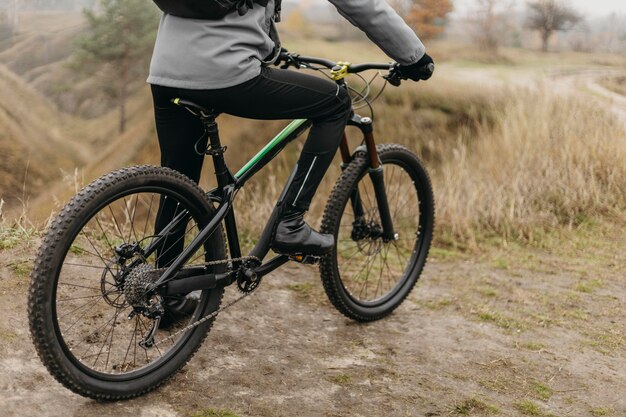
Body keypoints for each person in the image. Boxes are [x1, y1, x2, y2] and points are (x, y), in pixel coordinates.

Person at [148, 0, 434, 258]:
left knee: (178, 183)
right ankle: (290, 222)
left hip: (166, 73)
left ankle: (164, 290)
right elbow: (361, 4)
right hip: (226, 72)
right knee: (335, 103)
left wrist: (272, 51)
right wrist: (414, 56)